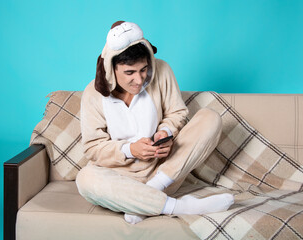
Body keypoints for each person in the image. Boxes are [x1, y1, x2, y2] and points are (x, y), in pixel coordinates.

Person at [76, 21, 234, 224]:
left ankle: (149, 194)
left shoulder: (162, 71)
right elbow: (92, 148)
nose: (140, 80)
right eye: (129, 73)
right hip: (119, 180)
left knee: (210, 117)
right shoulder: (92, 94)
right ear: (112, 68)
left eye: (143, 69)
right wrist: (130, 150)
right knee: (85, 179)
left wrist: (166, 132)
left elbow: (177, 113)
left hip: (164, 171)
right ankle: (179, 206)